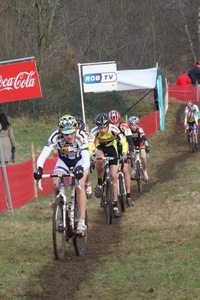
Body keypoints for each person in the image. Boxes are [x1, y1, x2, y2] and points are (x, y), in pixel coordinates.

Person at [33, 114, 90, 236]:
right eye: (66, 134)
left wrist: (81, 169)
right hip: (63, 161)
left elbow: (87, 160)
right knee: (56, 185)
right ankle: (62, 215)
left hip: (79, 161)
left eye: (71, 133)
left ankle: (81, 221)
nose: (69, 136)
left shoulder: (81, 136)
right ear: (60, 132)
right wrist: (39, 169)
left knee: (79, 184)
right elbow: (43, 155)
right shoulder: (55, 136)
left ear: (75, 130)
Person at [90, 113, 128, 218]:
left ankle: (115, 205)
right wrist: (91, 154)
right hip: (101, 149)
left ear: (108, 125)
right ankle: (99, 182)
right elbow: (90, 144)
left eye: (104, 127)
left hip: (112, 151)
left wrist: (124, 152)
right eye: (100, 128)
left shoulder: (114, 129)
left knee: (113, 177)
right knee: (99, 158)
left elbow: (123, 142)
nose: (102, 130)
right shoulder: (94, 131)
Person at [108, 110, 134, 207]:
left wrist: (130, 150)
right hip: (112, 151)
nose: (114, 123)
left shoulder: (124, 126)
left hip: (123, 149)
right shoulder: (108, 128)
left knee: (125, 170)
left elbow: (130, 140)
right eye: (112, 122)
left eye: (116, 121)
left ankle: (128, 195)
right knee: (112, 173)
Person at [128, 116, 150, 182]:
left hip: (140, 144)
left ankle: (145, 171)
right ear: (130, 125)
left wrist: (147, 146)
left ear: (137, 125)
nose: (133, 127)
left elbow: (144, 138)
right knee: (132, 155)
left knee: (143, 157)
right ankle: (133, 169)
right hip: (132, 145)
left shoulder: (140, 129)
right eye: (132, 125)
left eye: (135, 125)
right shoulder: (128, 130)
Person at [76, 117, 92, 199]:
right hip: (75, 154)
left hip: (84, 152)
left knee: (86, 169)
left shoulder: (86, 135)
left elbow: (90, 145)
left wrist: (90, 155)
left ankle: (88, 183)